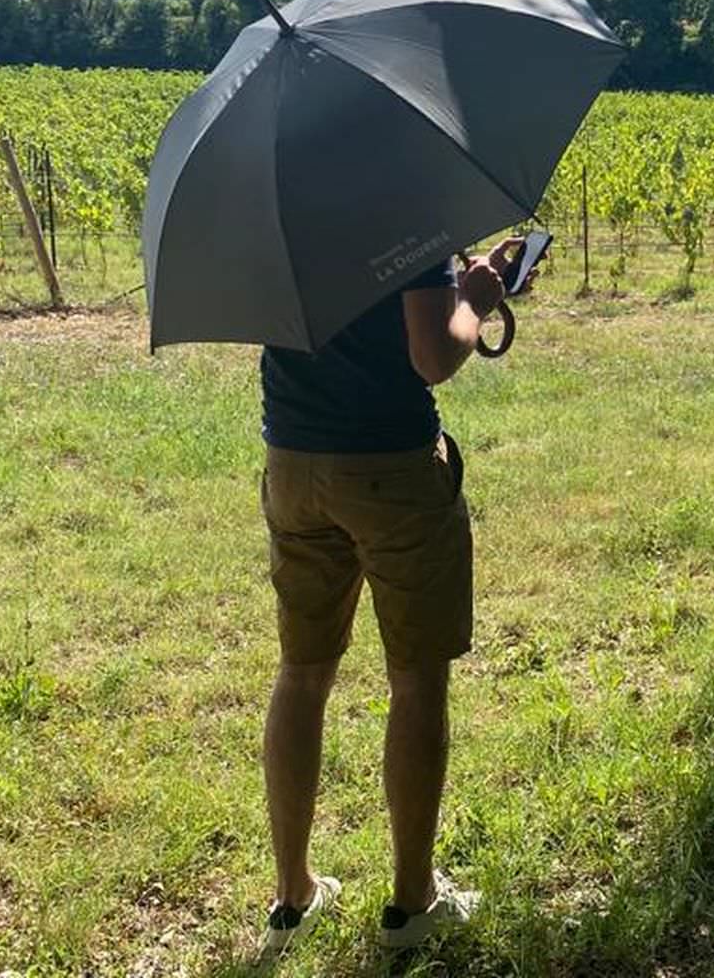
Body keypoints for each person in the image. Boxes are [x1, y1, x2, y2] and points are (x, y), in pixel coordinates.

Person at [254, 238, 520, 958]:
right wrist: (476, 299)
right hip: (392, 471)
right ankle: (411, 901)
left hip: (292, 464)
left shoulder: (276, 197)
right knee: (417, 680)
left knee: (301, 675)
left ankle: (292, 895)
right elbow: (433, 355)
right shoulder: (405, 206)